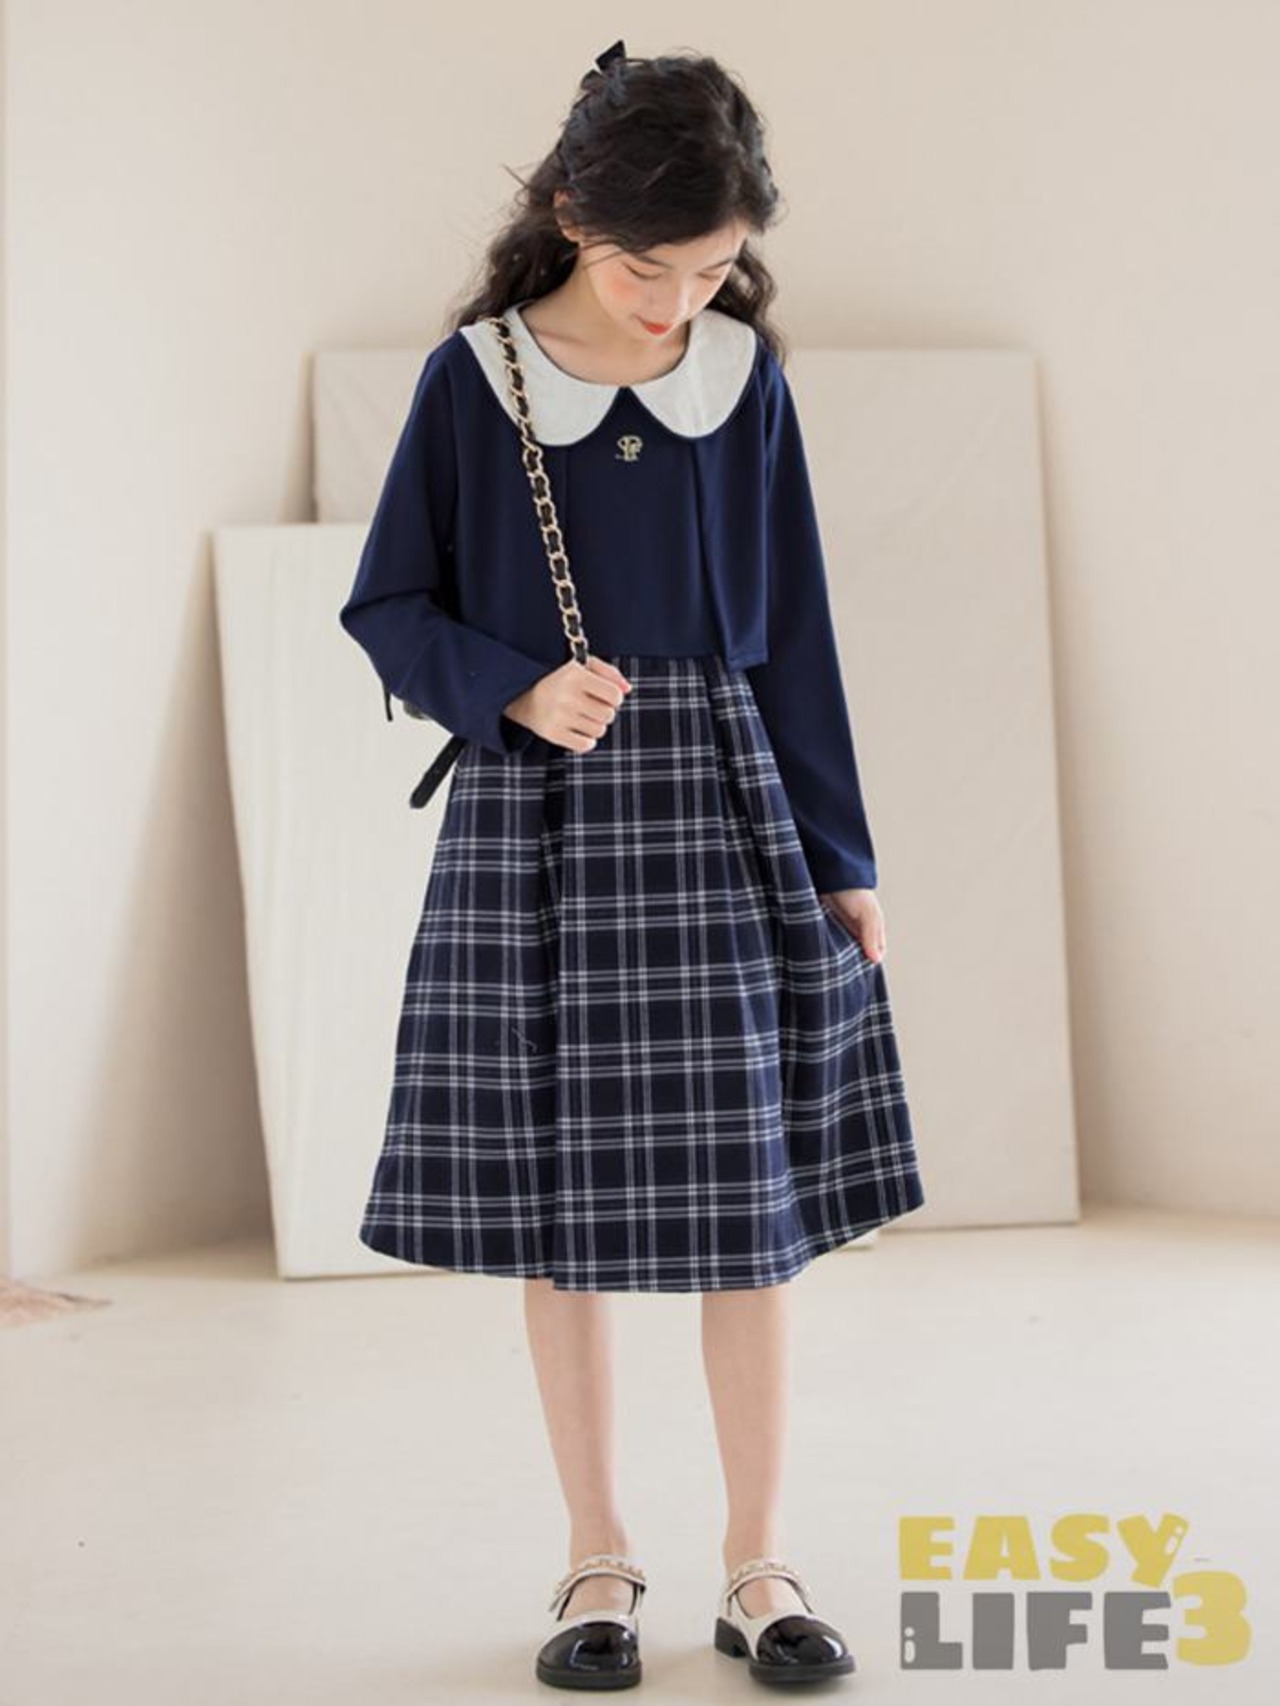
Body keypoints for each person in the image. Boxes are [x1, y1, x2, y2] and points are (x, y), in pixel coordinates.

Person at [339, 38, 926, 1692]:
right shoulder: (475, 382)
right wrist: (516, 686)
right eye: (644, 269)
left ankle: (760, 1561)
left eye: (714, 269)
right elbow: (386, 604)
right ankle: (596, 1557)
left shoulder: (744, 383)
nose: (676, 305)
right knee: (562, 1210)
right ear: (570, 217)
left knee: (751, 1212)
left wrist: (842, 853)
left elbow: (796, 631)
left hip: (723, 813)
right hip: (540, 822)